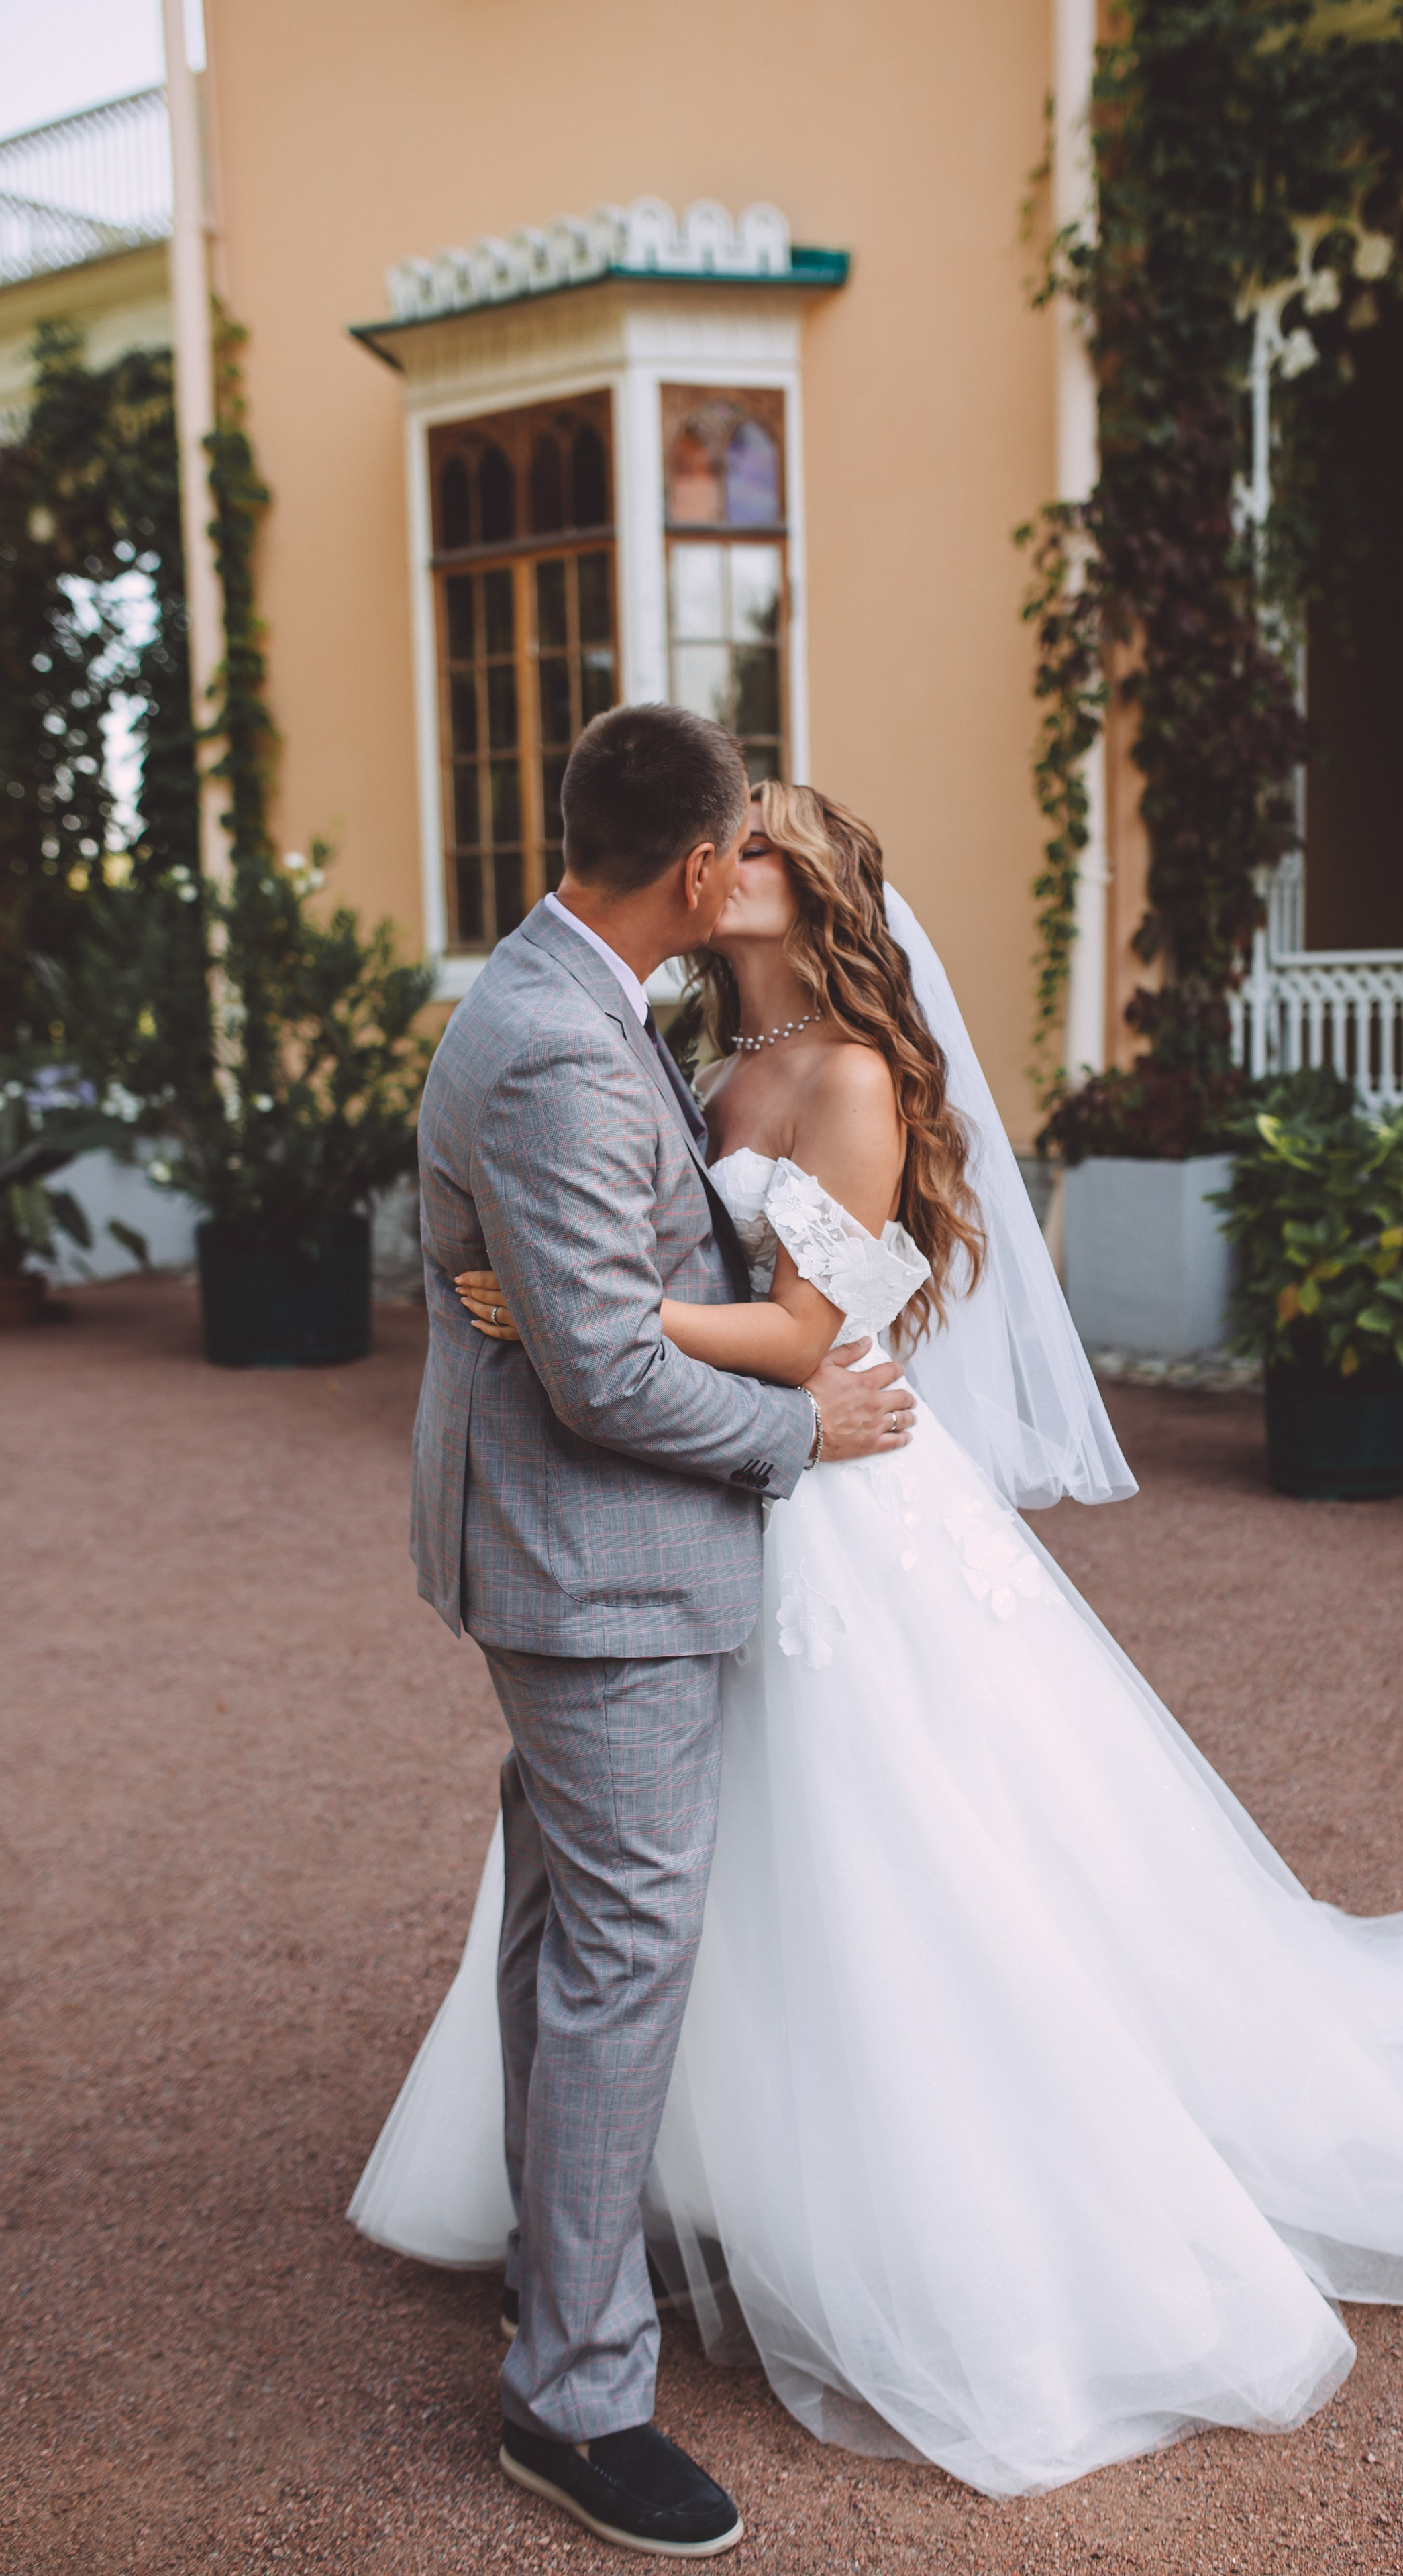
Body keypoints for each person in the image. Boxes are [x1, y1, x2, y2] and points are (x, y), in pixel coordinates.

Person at [356, 778, 1403, 2527]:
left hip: (830, 1496)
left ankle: (859, 2209)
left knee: (876, 1863)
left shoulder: (856, 1077)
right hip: (699, 1504)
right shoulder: (681, 1051)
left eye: (772, 845)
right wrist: (578, 1291)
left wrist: (597, 1313)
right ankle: (621, 2212)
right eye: (733, 838)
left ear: (824, 890)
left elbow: (803, 1328)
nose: (739, 862)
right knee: (638, 1888)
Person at [397, 710, 913, 2559]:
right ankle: (575, 2398)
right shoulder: (568, 1042)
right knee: (619, 1960)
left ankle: (563, 2277)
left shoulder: (569, 1005)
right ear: (699, 872)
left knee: (572, 1939)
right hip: (594, 1562)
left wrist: (555, 1312)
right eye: (737, 845)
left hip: (600, 1548)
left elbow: (646, 1297)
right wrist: (798, 1425)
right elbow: (608, 1365)